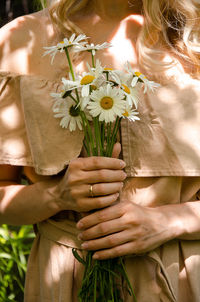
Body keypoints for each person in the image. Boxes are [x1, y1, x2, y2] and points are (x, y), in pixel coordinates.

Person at [0, 0, 200, 301]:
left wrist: (171, 221)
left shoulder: (192, 37)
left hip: (183, 278)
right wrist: (57, 195)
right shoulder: (20, 42)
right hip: (67, 281)